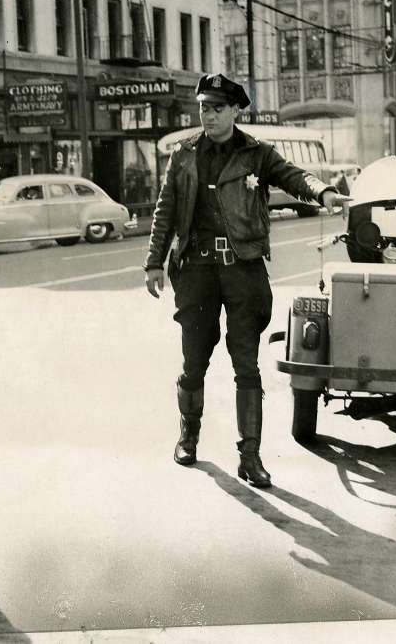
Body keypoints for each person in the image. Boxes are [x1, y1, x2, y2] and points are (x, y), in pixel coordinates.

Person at [143, 73, 350, 488]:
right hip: (197, 272)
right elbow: (165, 209)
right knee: (193, 361)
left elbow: (294, 176)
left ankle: (250, 456)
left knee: (246, 365)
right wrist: (154, 260)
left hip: (243, 269)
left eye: (217, 108)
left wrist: (325, 192)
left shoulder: (256, 154)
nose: (209, 115)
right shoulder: (183, 155)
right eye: (204, 107)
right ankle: (189, 435)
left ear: (235, 111)